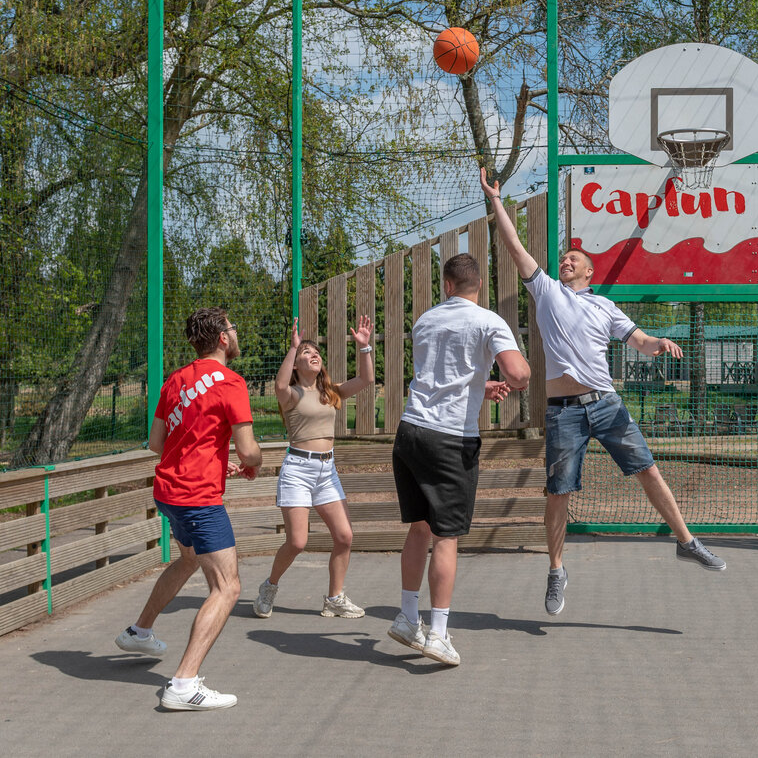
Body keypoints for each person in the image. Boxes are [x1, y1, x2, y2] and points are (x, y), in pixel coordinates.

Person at [481, 167, 726, 619]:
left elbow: (638, 340)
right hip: (563, 412)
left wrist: (659, 344)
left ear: (590, 271)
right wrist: (496, 201)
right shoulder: (548, 293)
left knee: (648, 471)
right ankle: (556, 570)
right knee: (559, 492)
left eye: (574, 258)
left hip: (606, 404)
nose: (566, 261)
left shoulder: (605, 305)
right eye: (564, 257)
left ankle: (687, 542)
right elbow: (515, 248)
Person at [114, 308, 262, 711]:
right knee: (228, 587)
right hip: (198, 498)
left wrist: (216, 461)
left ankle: (139, 632)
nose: (235, 332)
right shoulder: (231, 382)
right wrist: (252, 462)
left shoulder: (175, 380)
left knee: (187, 561)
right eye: (233, 327)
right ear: (223, 339)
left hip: (169, 492)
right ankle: (184, 684)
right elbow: (249, 449)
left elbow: (157, 445)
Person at [387, 253, 530, 665]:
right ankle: (439, 634)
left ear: (447, 285)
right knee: (445, 537)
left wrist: (479, 387)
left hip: (411, 431)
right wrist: (513, 377)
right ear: (477, 286)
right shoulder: (488, 321)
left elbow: (443, 376)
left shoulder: (426, 321)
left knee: (418, 528)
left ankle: (407, 617)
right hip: (450, 441)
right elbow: (518, 374)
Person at [252, 315, 375, 619]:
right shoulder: (292, 394)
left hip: (327, 471)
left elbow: (365, 380)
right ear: (296, 363)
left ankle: (335, 598)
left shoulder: (330, 392)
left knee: (345, 537)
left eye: (315, 352)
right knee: (297, 542)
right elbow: (280, 384)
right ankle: (269, 586)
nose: (314, 354)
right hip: (297, 470)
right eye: (307, 353)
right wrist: (294, 348)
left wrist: (364, 347)